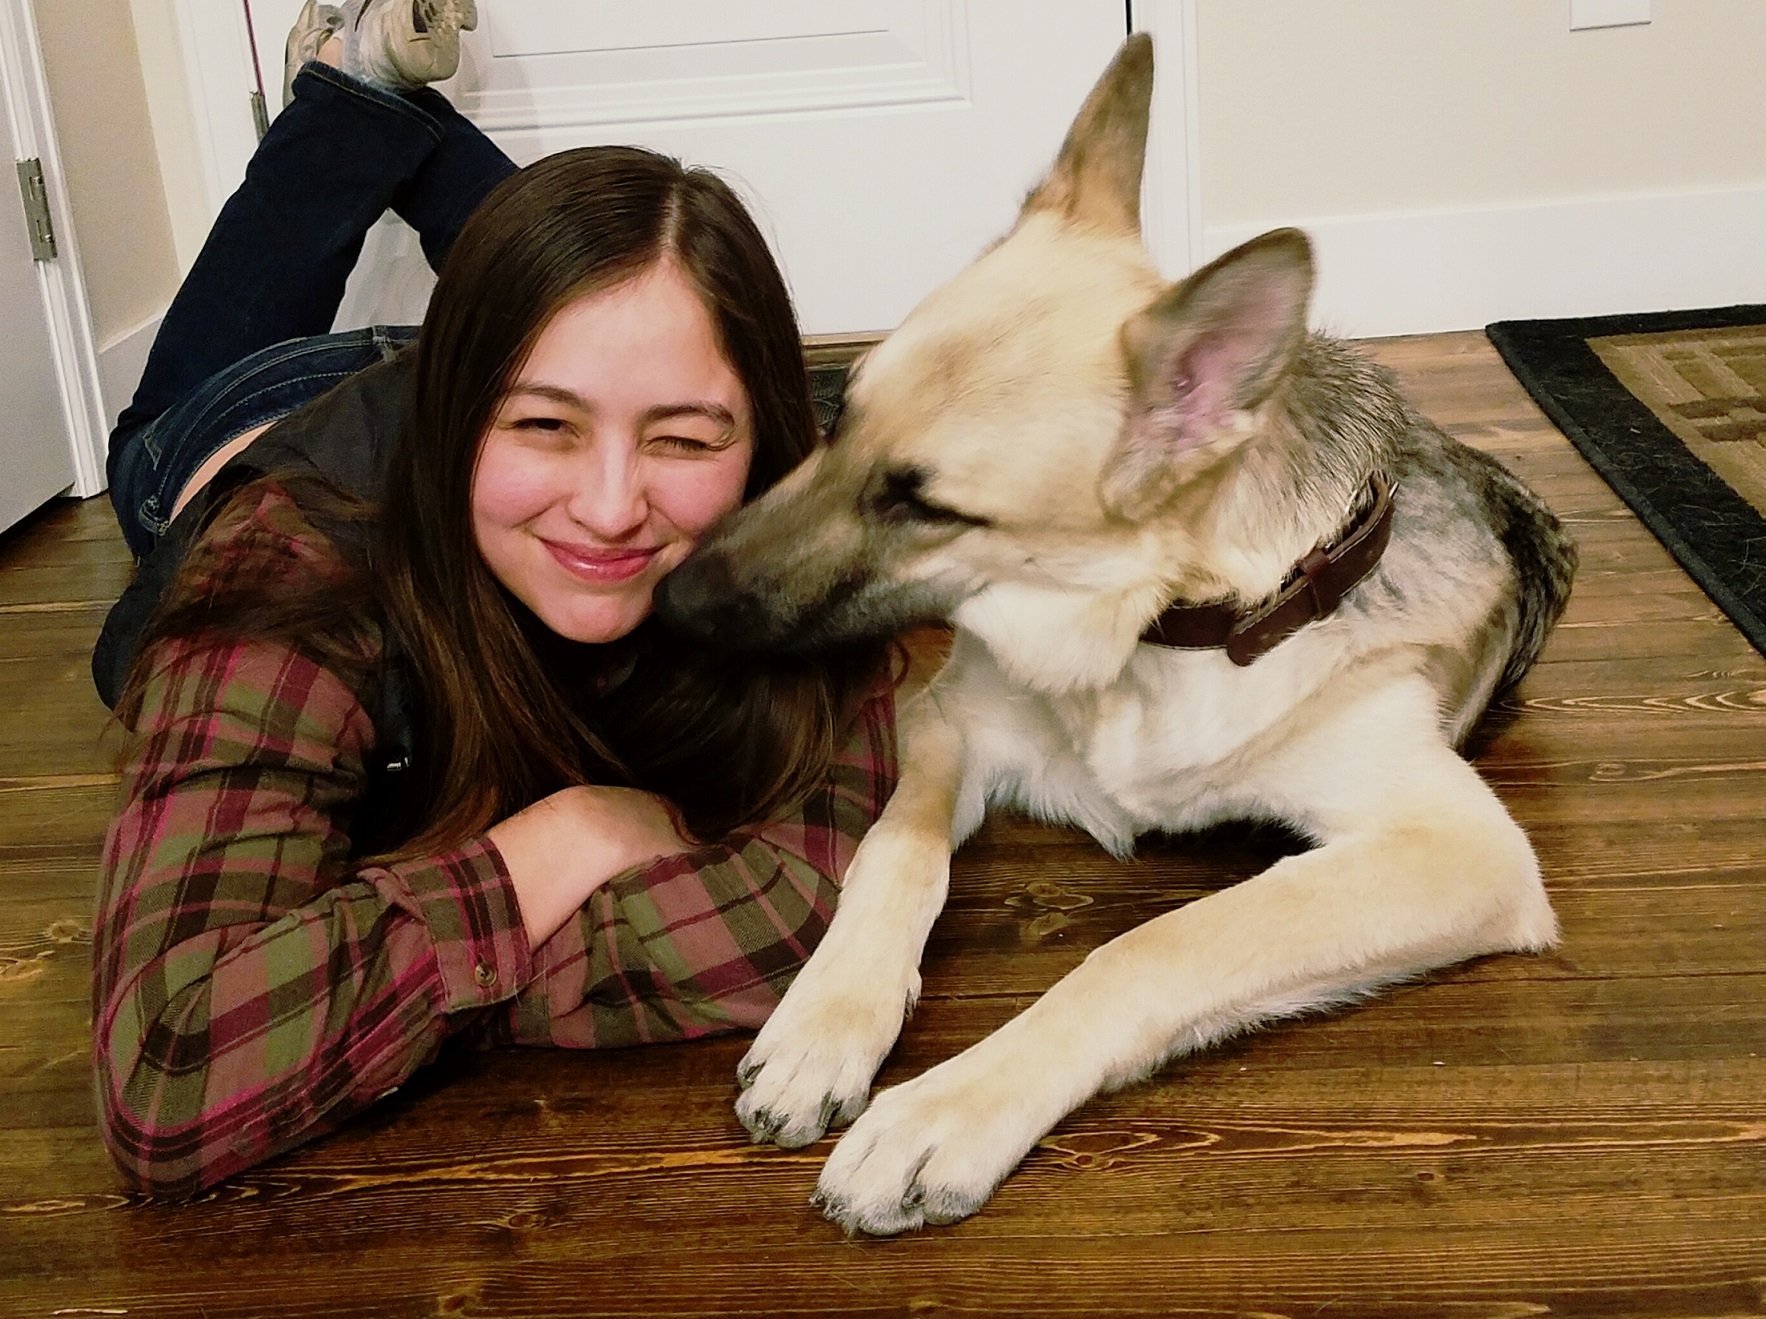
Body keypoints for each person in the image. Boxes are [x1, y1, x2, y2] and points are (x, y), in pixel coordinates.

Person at [90, 0, 897, 1199]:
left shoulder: (789, 517)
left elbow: (799, 901)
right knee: (163, 419)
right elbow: (173, 1068)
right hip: (235, 428)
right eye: (543, 425)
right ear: (472, 410)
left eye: (683, 439)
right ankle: (350, 96)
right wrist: (553, 845)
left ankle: (393, 108)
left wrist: (359, 992)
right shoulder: (287, 562)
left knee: (625, 273)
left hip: (472, 378)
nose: (614, 507)